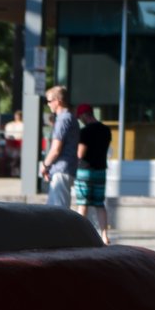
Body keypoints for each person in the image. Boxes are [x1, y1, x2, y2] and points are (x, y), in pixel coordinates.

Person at [75, 103, 112, 243]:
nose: (80, 119)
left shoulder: (85, 131)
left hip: (85, 171)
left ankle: (80, 235)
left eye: (80, 117)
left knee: (82, 203)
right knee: (99, 204)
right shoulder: (106, 130)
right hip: (101, 170)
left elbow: (80, 153)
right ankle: (104, 235)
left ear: (85, 115)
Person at [39, 86, 77, 208]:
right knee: (55, 210)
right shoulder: (70, 118)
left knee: (58, 212)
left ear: (58, 101)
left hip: (61, 170)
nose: (48, 104)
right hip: (64, 169)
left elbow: (56, 149)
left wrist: (44, 165)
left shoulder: (63, 119)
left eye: (49, 101)